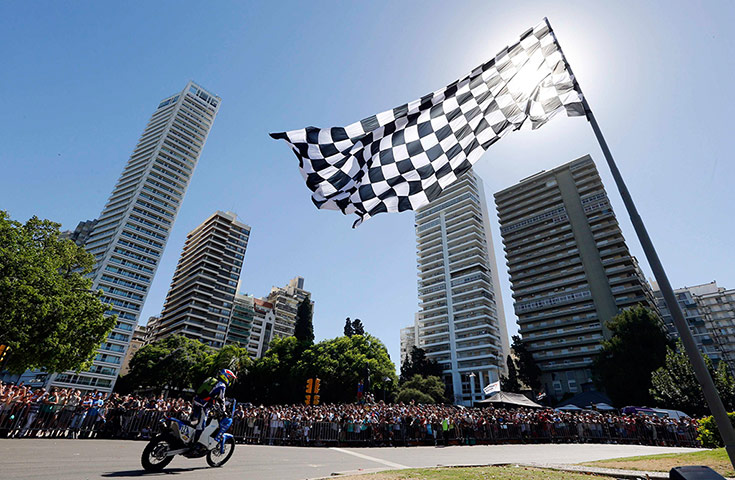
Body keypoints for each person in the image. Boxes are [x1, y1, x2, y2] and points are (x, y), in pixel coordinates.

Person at [190, 369, 236, 442]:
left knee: (194, 420)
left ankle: (188, 438)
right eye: (229, 378)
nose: (229, 380)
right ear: (226, 376)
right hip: (203, 405)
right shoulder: (222, 385)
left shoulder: (211, 380)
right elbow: (221, 399)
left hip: (196, 401)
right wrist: (224, 411)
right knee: (201, 425)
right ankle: (195, 444)